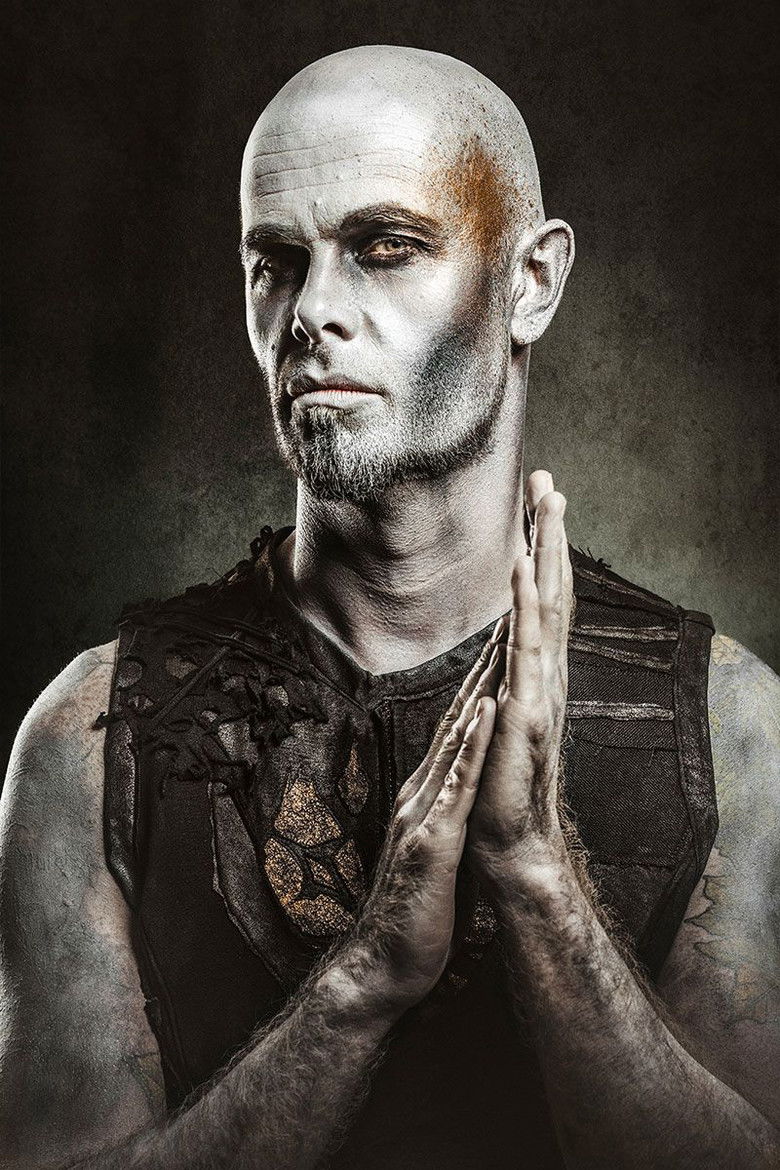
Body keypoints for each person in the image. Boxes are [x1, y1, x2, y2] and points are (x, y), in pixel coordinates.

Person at [1, 44, 777, 1170]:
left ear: (532, 283)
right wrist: (363, 984)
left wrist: (535, 877)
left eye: (384, 249)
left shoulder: (733, 729)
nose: (312, 311)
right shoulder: (90, 737)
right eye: (276, 262)